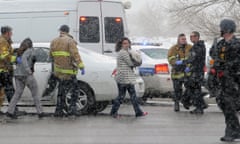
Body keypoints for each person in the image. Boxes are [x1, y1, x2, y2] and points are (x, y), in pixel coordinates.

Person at [209, 19, 240, 142]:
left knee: (229, 105)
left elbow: (236, 62)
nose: (220, 30)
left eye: (222, 28)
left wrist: (226, 68)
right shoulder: (221, 43)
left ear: (227, 29)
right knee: (223, 103)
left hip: (233, 79)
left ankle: (232, 131)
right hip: (221, 79)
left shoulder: (236, 44)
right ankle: (234, 130)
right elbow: (213, 56)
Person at [50, 25, 85, 117]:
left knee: (61, 91)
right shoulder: (70, 41)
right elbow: (75, 54)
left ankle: (59, 110)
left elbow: (51, 56)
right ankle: (72, 109)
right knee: (75, 90)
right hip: (69, 71)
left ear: (60, 31)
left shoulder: (54, 41)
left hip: (59, 72)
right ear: (68, 31)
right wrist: (81, 65)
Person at [6, 38, 45, 119]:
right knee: (35, 93)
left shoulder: (19, 52)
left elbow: (16, 61)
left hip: (18, 75)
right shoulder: (30, 50)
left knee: (17, 94)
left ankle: (10, 111)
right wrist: (28, 70)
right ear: (30, 44)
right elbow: (25, 60)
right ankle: (40, 112)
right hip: (27, 76)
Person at [110, 37, 148, 118]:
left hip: (126, 77)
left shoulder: (127, 52)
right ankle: (114, 112)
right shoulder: (123, 53)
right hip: (124, 77)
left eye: (127, 43)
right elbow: (130, 63)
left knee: (125, 96)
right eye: (124, 43)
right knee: (126, 96)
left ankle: (137, 112)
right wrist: (137, 61)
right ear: (121, 44)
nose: (126, 45)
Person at [182, 31, 207, 114]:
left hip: (197, 71)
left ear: (197, 37)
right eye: (190, 36)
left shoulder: (198, 47)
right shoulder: (196, 46)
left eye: (193, 36)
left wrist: (183, 62)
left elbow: (192, 58)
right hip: (195, 70)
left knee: (195, 89)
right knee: (193, 88)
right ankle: (199, 105)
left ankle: (198, 106)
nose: (191, 38)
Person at [167, 33, 192, 112]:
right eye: (182, 39)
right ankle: (176, 103)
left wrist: (189, 66)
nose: (184, 40)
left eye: (185, 39)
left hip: (187, 73)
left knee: (190, 88)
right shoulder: (173, 49)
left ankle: (185, 101)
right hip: (177, 73)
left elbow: (193, 58)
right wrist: (178, 62)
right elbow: (171, 59)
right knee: (177, 90)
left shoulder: (190, 47)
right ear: (178, 40)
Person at [0, 26, 16, 113]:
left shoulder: (6, 41)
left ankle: (12, 109)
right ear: (7, 33)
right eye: (11, 32)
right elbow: (4, 56)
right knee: (9, 90)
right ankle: (13, 110)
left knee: (4, 91)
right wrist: (15, 59)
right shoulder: (2, 41)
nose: (12, 34)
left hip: (4, 70)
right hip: (3, 70)